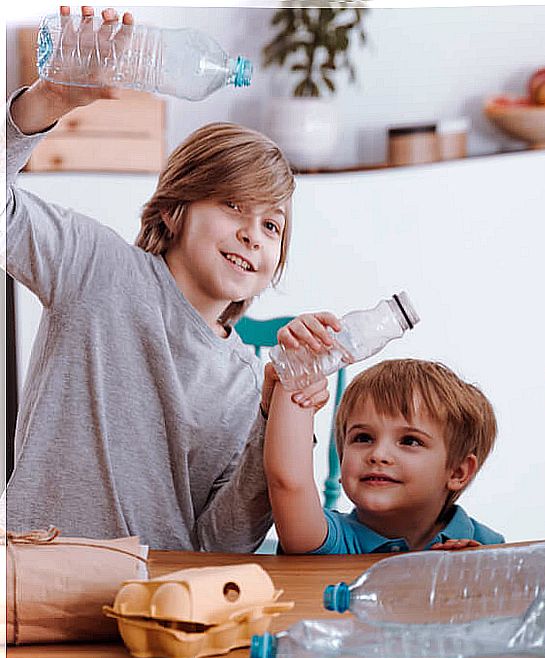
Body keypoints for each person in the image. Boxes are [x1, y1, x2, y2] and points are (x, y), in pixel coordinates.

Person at [3, 6, 331, 551]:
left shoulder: (244, 381)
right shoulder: (95, 266)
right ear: (175, 211)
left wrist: (273, 416)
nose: (254, 235)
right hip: (34, 577)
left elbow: (217, 541)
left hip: (157, 602)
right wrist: (49, 101)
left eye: (272, 225)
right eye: (233, 206)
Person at [263, 348, 504, 554]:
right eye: (363, 438)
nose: (378, 454)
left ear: (458, 472)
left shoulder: (487, 546)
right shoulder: (325, 538)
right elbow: (288, 482)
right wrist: (297, 368)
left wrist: (476, 575)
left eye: (410, 441)